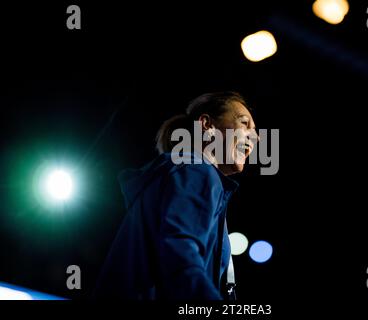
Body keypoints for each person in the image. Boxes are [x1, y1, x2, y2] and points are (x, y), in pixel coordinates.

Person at [93, 91, 258, 300]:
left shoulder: (186, 172)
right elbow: (179, 257)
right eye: (244, 123)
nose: (256, 136)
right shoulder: (196, 170)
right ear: (207, 125)